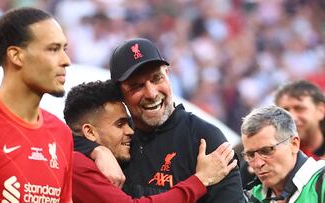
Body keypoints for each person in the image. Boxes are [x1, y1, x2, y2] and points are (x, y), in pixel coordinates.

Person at [89, 38, 244, 202]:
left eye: (157, 78)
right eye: (137, 86)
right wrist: (97, 150)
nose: (151, 93)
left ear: (168, 76)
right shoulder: (112, 137)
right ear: (119, 94)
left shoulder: (205, 138)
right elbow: (68, 140)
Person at [63, 80, 237, 203]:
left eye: (157, 78)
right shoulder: (76, 164)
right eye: (120, 124)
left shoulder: (201, 133)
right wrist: (200, 181)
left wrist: (97, 150)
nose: (131, 131)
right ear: (89, 132)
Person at [0, 7, 73, 202]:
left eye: (64, 49)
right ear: (16, 56)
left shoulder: (61, 134)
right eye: (53, 49)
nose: (66, 61)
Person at [241, 105, 325, 202]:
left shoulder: (322, 183)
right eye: (250, 155)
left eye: (267, 150)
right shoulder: (251, 195)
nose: (258, 164)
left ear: (294, 144)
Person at [274, 80, 325, 160]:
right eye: (285, 111)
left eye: (299, 109)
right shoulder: (278, 160)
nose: (292, 118)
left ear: (321, 110)